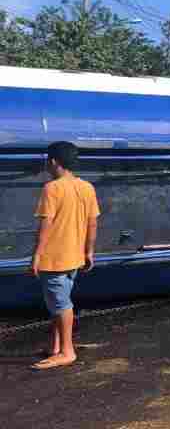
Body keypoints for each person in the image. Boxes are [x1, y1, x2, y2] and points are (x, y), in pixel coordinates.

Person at [31, 141, 101, 370]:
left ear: (53, 161)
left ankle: (67, 351)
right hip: (74, 258)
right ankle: (56, 346)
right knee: (58, 303)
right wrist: (89, 251)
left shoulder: (52, 188)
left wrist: (36, 255)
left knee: (61, 304)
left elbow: (45, 226)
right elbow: (92, 223)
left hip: (54, 259)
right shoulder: (87, 187)